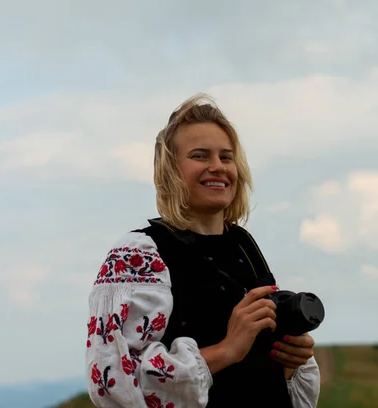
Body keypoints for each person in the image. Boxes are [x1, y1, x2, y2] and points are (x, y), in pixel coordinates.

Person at [85, 94, 321, 407]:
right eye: (200, 156)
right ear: (170, 169)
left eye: (226, 157)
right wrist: (226, 351)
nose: (217, 167)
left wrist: (292, 361)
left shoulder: (245, 246)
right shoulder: (138, 254)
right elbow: (114, 381)